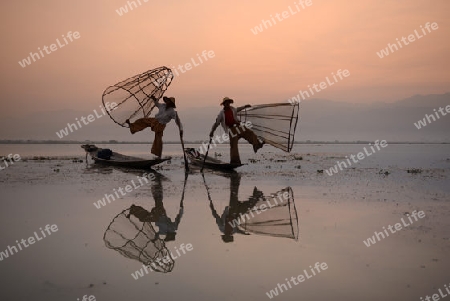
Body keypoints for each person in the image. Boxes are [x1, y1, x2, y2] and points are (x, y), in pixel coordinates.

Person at [209, 97, 264, 165]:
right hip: (231, 130)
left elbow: (238, 109)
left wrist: (245, 106)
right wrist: (212, 132)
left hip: (238, 127)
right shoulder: (221, 113)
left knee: (249, 132)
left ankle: (257, 144)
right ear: (224, 104)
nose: (227, 104)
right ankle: (235, 161)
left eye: (228, 103)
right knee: (233, 145)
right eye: (226, 103)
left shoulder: (232, 109)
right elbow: (216, 123)